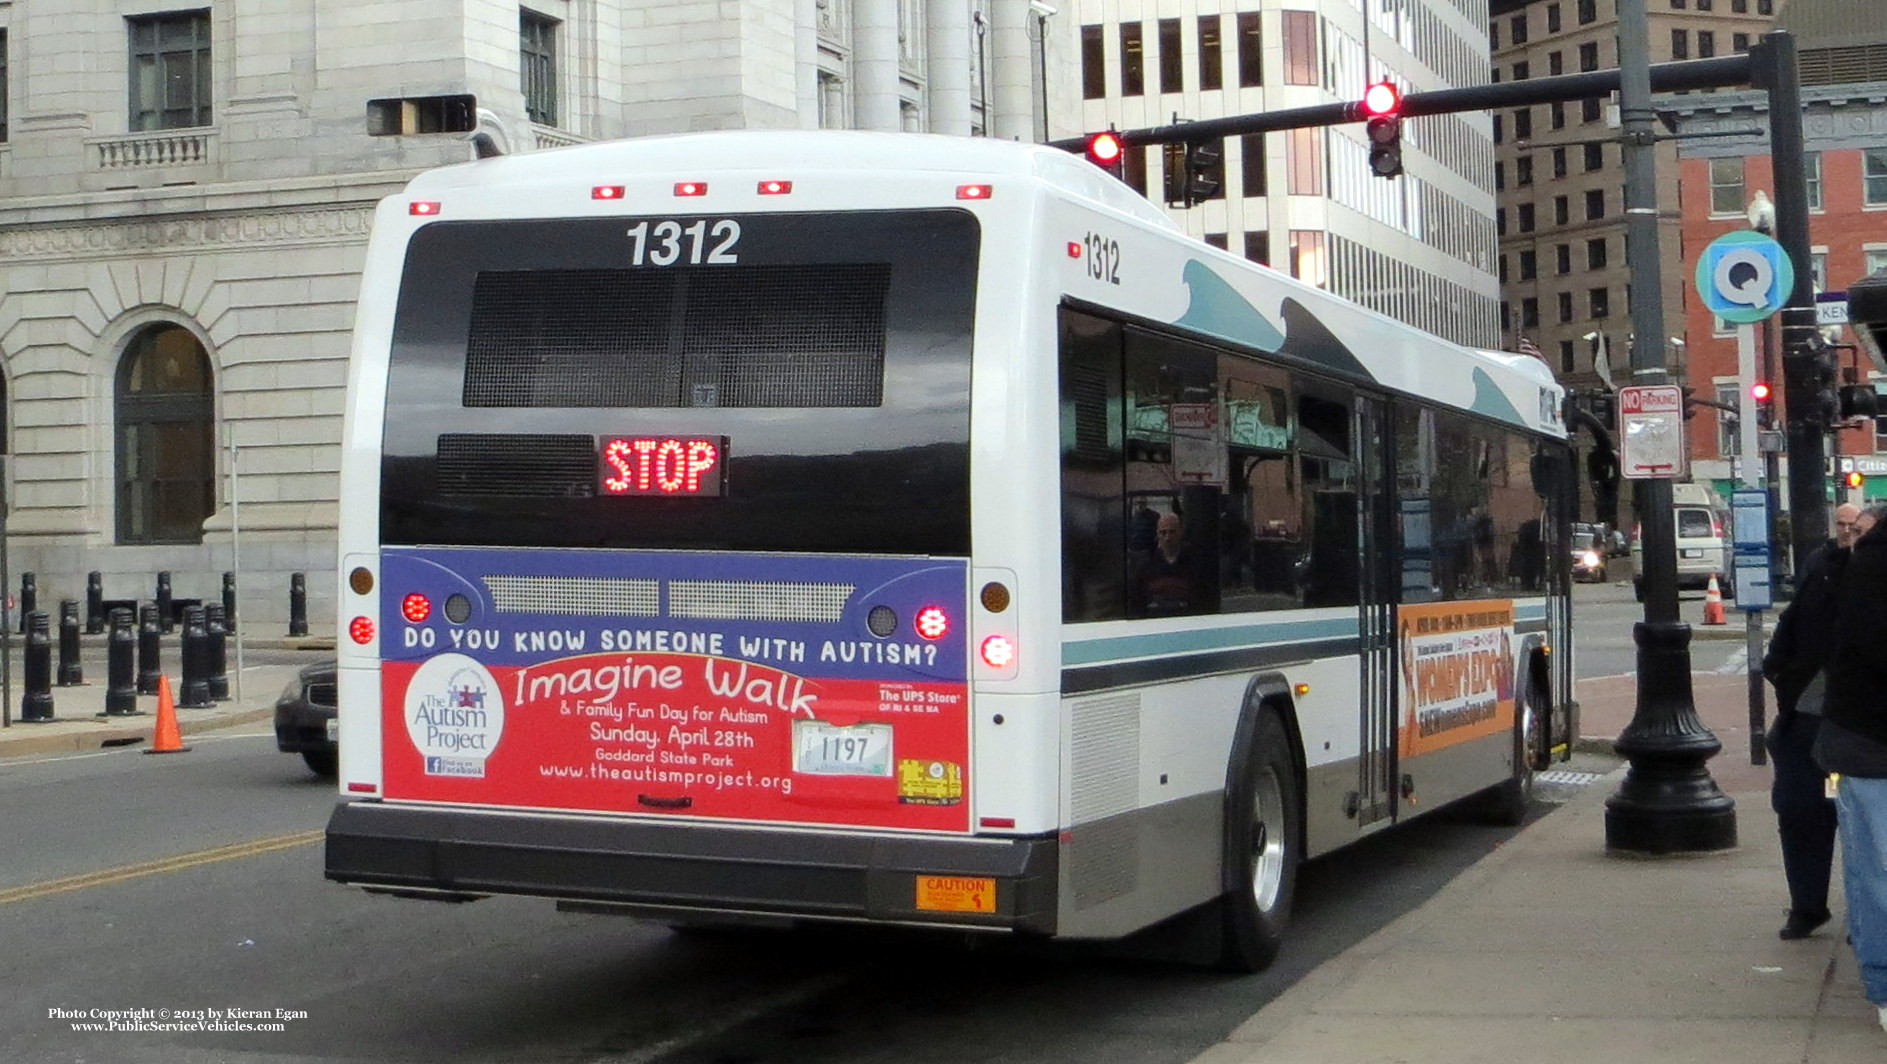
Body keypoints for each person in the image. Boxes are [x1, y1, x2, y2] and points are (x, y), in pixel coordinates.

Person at [1761, 502, 1861, 940]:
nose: (1847, 534)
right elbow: (1792, 621)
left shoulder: (1873, 575)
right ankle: (1807, 904)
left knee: (1861, 820)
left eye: (1856, 529)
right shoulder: (1820, 566)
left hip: (1858, 723)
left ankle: (1866, 916)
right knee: (1801, 810)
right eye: (1841, 526)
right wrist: (1778, 668)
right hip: (1807, 717)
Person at [1814, 503, 1887, 1033]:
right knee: (1876, 869)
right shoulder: (1870, 565)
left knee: (1873, 868)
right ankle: (1882, 985)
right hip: (1868, 743)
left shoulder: (1865, 564)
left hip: (1858, 738)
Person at [1129, 511, 1198, 617]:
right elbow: (1136, 601)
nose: (1167, 538)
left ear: (1180, 532)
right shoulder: (1145, 565)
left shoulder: (1194, 563)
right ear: (1157, 534)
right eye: (1163, 532)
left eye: (1172, 532)